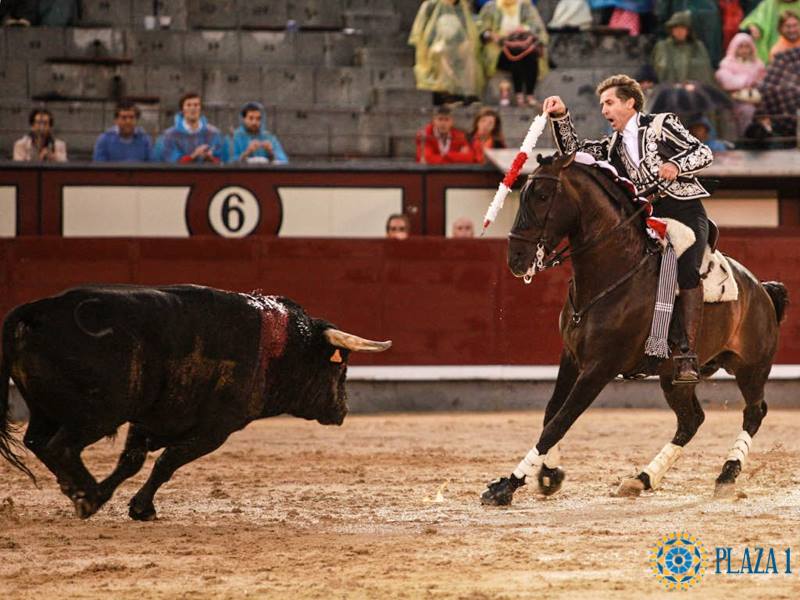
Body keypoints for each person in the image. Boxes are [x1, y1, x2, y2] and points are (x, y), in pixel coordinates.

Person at [543, 74, 714, 383]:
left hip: (683, 209)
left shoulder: (661, 124)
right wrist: (561, 116)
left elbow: (703, 152)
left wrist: (676, 165)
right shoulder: (612, 146)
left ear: (630, 102)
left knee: (687, 268)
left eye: (609, 103)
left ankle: (687, 354)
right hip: (647, 217)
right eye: (601, 105)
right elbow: (574, 153)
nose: (604, 110)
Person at [408, 0, 485, 104]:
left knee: (468, 51)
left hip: (457, 44)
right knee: (443, 52)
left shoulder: (463, 7)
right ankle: (447, 93)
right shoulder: (431, 5)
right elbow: (422, 31)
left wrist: (462, 44)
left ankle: (468, 92)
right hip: (435, 45)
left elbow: (467, 30)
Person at [477, 0, 549, 107]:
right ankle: (519, 95)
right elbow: (481, 29)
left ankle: (530, 95)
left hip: (524, 44)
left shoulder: (526, 6)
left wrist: (524, 29)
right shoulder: (491, 7)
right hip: (499, 47)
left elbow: (537, 27)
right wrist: (492, 35)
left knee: (530, 55)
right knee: (515, 55)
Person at [715, 33, 767, 135]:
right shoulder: (727, 63)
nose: (744, 50)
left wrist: (755, 86)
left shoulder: (758, 64)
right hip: (734, 101)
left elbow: (763, 81)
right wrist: (747, 80)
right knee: (746, 110)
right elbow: (726, 82)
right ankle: (745, 137)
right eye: (741, 47)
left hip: (756, 100)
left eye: (747, 47)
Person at [160, 92, 228, 164]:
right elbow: (171, 163)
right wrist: (193, 155)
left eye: (196, 105)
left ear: (200, 109)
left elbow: (222, 162)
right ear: (182, 110)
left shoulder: (214, 133)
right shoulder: (170, 135)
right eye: (188, 105)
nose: (192, 108)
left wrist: (210, 157)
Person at [652, 11, 715, 85]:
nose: (679, 31)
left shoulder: (698, 47)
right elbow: (657, 71)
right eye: (676, 28)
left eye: (682, 28)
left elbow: (705, 72)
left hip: (694, 89)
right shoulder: (662, 47)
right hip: (668, 89)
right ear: (671, 30)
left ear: (688, 30)